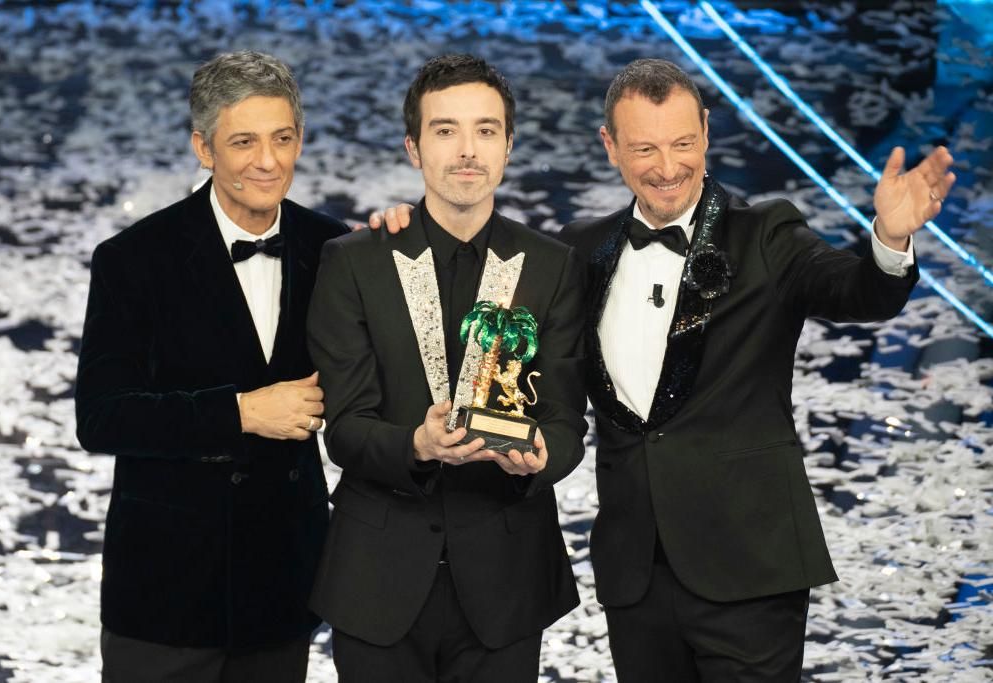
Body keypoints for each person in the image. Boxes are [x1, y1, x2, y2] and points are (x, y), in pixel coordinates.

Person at [374, 58, 954, 681]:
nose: (668, 167)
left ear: (706, 132)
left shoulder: (766, 234)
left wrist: (889, 243)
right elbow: (494, 318)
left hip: (751, 567)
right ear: (610, 147)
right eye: (645, 148)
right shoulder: (579, 248)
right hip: (636, 574)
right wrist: (408, 230)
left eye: (682, 143)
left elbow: (854, 291)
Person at [306, 54, 587, 682]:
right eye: (445, 130)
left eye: (486, 130)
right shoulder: (355, 261)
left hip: (508, 583)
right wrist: (416, 444)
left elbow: (567, 420)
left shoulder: (554, 266)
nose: (467, 150)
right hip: (376, 580)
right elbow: (344, 429)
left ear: (508, 146)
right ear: (414, 148)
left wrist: (543, 455)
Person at [75, 50, 348, 682]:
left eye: (283, 138)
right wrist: (240, 412)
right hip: (166, 591)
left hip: (282, 585)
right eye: (244, 142)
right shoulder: (132, 259)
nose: (268, 161)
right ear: (204, 148)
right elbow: (102, 417)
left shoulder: (332, 246)